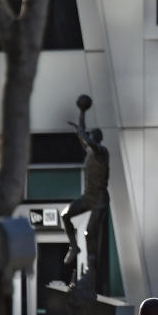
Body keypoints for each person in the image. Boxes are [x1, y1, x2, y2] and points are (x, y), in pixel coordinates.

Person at [63, 105, 110, 275]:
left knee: (89, 232)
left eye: (92, 137)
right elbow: (83, 137)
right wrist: (82, 113)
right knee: (65, 215)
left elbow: (87, 139)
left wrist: (80, 130)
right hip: (89, 196)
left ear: (97, 139)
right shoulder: (90, 151)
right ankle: (74, 247)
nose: (88, 139)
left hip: (100, 199)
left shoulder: (101, 152)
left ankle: (91, 267)